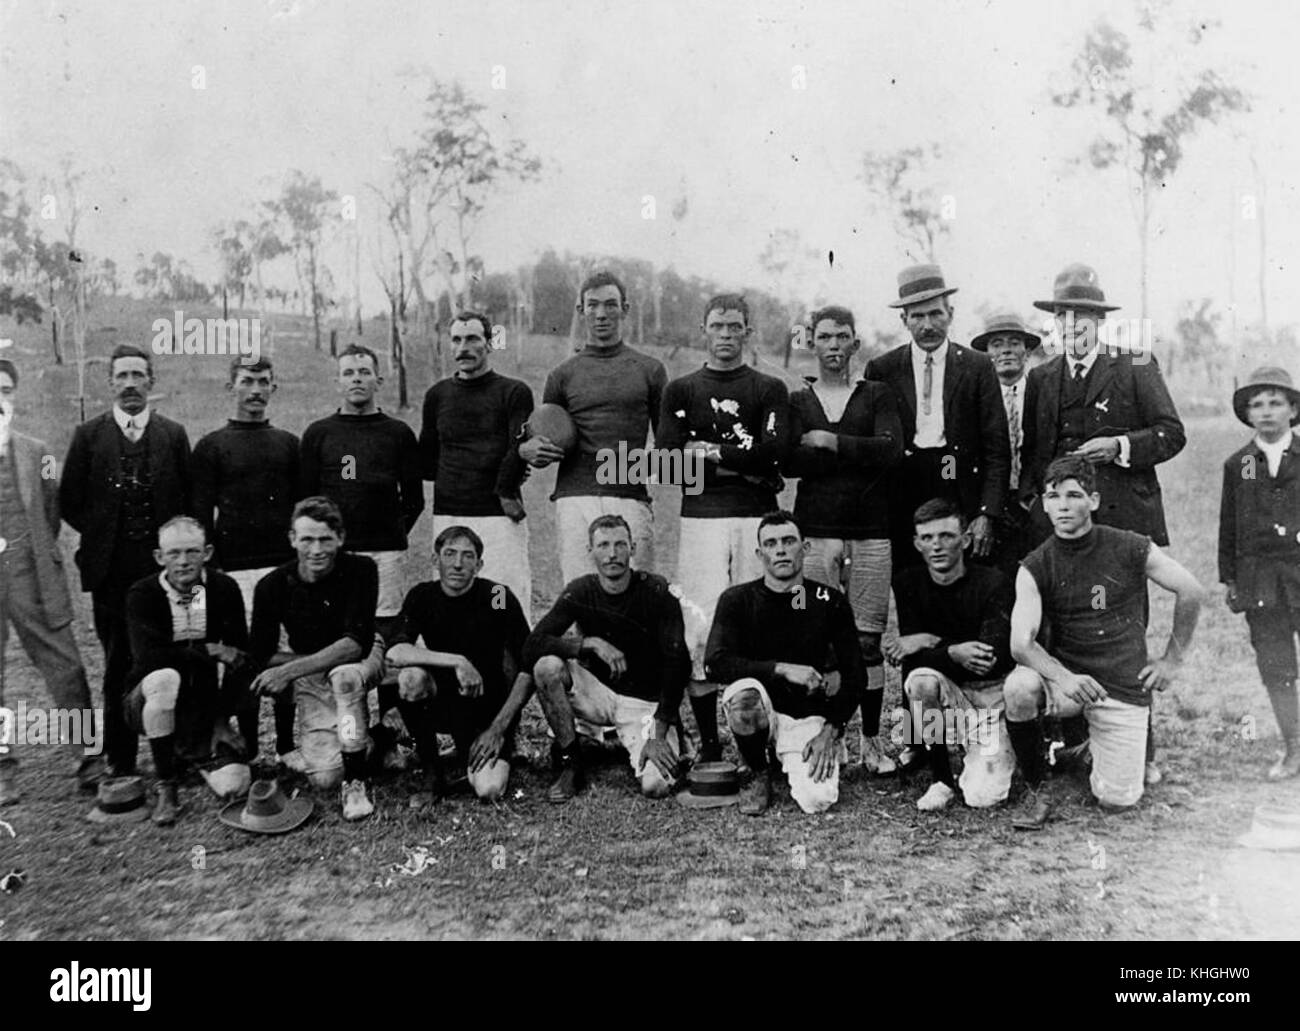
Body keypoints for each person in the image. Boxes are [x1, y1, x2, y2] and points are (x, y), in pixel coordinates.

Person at [1020, 263, 1186, 785]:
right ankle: (1076, 746)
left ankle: (1143, 750)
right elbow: (1034, 459)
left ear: (1100, 321)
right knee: (1064, 630)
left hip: (1122, 527)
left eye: (1084, 316)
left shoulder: (1135, 364)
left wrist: (1120, 447)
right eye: (1064, 316)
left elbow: (1171, 434)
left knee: (1125, 633)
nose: (1073, 325)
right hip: (1064, 532)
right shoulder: (1042, 377)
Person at [1004, 456, 1203, 829]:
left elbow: (1190, 590)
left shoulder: (1130, 547)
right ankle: (1037, 786)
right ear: (1044, 503)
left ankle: (1084, 752)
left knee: (1116, 800)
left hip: (1119, 685)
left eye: (1073, 495)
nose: (1063, 505)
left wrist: (1171, 661)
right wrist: (1064, 678)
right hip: (1069, 685)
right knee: (1018, 687)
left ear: (1093, 501)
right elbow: (1021, 644)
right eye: (1053, 496)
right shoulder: (1035, 564)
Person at [657, 293, 789, 762]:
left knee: (760, 621)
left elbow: (775, 455)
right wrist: (746, 466)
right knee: (701, 626)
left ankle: (766, 740)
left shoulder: (768, 388)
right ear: (704, 329)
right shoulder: (682, 389)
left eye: (736, 326)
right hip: (701, 520)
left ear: (748, 331)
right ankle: (712, 746)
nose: (727, 335)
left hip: (756, 517)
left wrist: (710, 451)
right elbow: (672, 466)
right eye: (718, 326)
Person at [60, 343, 192, 776]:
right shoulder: (88, 436)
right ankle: (119, 759)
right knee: (118, 662)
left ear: (151, 381)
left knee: (171, 657)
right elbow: (70, 501)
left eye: (139, 375)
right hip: (111, 575)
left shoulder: (172, 435)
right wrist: (103, 539)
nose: (131, 384)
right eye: (123, 376)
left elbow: (188, 501)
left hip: (166, 574)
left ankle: (175, 753)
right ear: (110, 382)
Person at [786, 305, 903, 774]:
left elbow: (891, 452)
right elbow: (790, 461)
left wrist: (832, 443)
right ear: (812, 342)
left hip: (872, 534)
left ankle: (870, 742)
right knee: (818, 642)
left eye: (843, 338)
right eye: (825, 337)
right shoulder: (798, 400)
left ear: (856, 344)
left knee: (867, 642)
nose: (834, 346)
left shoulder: (877, 394)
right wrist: (858, 454)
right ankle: (819, 736)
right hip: (815, 533)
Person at [705, 511, 864, 816]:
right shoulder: (737, 599)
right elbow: (714, 663)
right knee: (744, 696)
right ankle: (755, 769)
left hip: (803, 715)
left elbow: (856, 676)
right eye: (771, 543)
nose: (780, 550)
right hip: (759, 706)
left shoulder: (829, 600)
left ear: (805, 548)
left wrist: (830, 732)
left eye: (789, 541)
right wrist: (781, 668)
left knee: (818, 800)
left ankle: (792, 753)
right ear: (759, 552)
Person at [523, 514, 690, 803]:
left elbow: (679, 664)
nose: (612, 554)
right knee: (547, 667)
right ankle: (570, 761)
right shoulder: (581, 589)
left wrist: (659, 733)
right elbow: (532, 644)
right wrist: (588, 643)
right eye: (602, 545)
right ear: (590, 551)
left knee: (655, 786)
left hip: (643, 704)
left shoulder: (656, 590)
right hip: (598, 694)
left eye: (619, 545)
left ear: (633, 548)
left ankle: (663, 743)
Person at [0, 359, 105, 805]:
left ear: (14, 396)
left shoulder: (38, 453)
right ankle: (2, 769)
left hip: (30, 571)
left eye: (4, 389)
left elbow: (51, 512)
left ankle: (90, 758)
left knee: (65, 665)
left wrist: (29, 552)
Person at [519, 270, 667, 584]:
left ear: (625, 309)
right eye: (593, 305)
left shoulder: (650, 369)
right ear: (581, 310)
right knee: (580, 590)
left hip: (629, 492)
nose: (601, 313)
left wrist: (643, 466)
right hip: (575, 495)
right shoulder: (562, 374)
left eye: (611, 304)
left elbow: (666, 441)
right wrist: (538, 450)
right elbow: (549, 435)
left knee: (638, 592)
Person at [249, 497, 384, 820]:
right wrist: (297, 667)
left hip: (361, 657)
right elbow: (261, 652)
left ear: (340, 538)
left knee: (345, 679)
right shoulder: (272, 585)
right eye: (307, 539)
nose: (316, 549)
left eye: (325, 539)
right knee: (324, 777)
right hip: (312, 662)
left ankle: (355, 783)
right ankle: (378, 739)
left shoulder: (362, 569)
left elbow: (355, 644)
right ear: (292, 539)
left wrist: (291, 670)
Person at [866, 264, 1009, 569]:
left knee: (963, 575)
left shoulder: (978, 366)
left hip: (955, 475)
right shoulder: (883, 369)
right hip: (906, 482)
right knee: (910, 579)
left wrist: (986, 512)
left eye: (936, 314)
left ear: (951, 314)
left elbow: (997, 447)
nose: (928, 325)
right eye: (917, 316)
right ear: (904, 320)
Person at [191, 356, 299, 759]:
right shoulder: (211, 446)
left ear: (274, 387)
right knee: (246, 659)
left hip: (284, 569)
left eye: (264, 382)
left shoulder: (289, 443)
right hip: (235, 570)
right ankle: (251, 748)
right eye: (247, 381)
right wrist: (212, 572)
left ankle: (288, 747)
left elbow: (301, 509)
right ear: (231, 387)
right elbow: (201, 515)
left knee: (285, 655)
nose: (255, 390)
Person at [385, 524, 533, 804]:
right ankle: (432, 771)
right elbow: (395, 651)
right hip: (445, 701)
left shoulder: (497, 595)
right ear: (434, 560)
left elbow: (528, 665)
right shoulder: (422, 595)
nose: (457, 564)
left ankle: (497, 746)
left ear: (479, 565)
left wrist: (498, 729)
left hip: (488, 707)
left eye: (468, 556)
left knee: (489, 789)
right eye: (449, 553)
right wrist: (458, 661)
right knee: (410, 679)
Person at [887, 498, 1016, 813]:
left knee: (982, 798)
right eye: (928, 538)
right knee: (919, 681)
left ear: (966, 539)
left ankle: (998, 747)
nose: (937, 546)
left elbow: (991, 660)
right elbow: (912, 660)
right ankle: (941, 778)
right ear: (917, 543)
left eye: (946, 536)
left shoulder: (993, 581)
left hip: (989, 694)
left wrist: (934, 643)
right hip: (950, 691)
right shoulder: (908, 582)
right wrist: (953, 652)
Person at [123, 518, 252, 825]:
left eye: (192, 552)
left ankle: (192, 755)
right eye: (174, 553)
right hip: (147, 698)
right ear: (159, 557)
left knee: (235, 785)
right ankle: (166, 784)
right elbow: (149, 658)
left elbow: (239, 658)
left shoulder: (222, 588)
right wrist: (209, 650)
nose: (183, 562)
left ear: (207, 552)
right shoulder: (143, 593)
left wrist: (222, 721)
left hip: (201, 710)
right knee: (166, 677)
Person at [299, 344, 423, 628]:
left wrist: (390, 533)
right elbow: (306, 498)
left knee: (383, 625)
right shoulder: (319, 433)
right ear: (338, 381)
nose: (357, 379)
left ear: (378, 381)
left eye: (365, 372)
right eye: (349, 373)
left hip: (385, 550)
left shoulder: (398, 433)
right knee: (333, 624)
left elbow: (414, 500)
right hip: (335, 550)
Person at [419, 311, 534, 615]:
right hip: (449, 511)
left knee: (501, 596)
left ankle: (512, 662)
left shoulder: (513, 392)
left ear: (490, 344)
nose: (463, 347)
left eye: (472, 339)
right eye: (456, 339)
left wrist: (505, 489)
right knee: (451, 599)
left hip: (498, 514)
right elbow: (427, 460)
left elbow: (518, 446)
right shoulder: (437, 395)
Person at [1219, 366, 1300, 779]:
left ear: (1292, 409)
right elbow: (1229, 526)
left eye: (1275, 403)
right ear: (1248, 414)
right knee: (1276, 665)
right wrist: (1231, 579)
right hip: (1260, 582)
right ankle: (1293, 747)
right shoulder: (1241, 465)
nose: (1266, 412)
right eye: (1257, 404)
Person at [969, 311, 1041, 582]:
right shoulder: (973, 398)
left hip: (1032, 502)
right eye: (997, 344)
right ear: (986, 353)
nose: (1006, 350)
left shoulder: (1042, 391)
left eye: (1014, 343)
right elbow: (953, 461)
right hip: (989, 505)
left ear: (1027, 352)